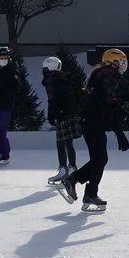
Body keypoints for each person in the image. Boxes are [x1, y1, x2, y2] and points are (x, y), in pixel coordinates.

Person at [62, 47, 129, 211]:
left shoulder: (105, 75)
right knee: (100, 159)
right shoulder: (107, 75)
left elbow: (109, 106)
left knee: (99, 159)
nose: (123, 66)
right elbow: (111, 104)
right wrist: (123, 128)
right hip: (93, 123)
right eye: (120, 62)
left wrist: (122, 127)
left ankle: (85, 189)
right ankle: (80, 186)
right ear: (112, 62)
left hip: (94, 123)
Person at [41, 55, 82, 191]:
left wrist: (51, 115)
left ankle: (63, 169)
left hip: (62, 113)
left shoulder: (50, 80)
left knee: (60, 142)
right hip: (72, 111)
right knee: (68, 142)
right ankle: (72, 167)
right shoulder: (64, 77)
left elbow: (52, 99)